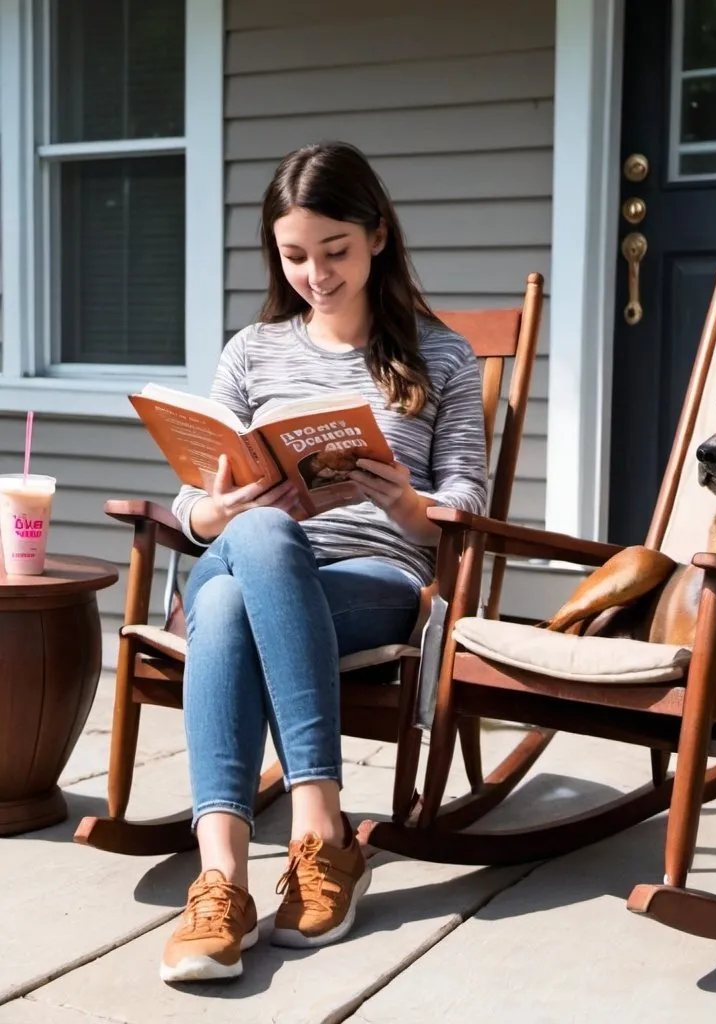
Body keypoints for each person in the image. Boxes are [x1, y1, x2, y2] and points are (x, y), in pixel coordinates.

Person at [159, 141, 488, 984]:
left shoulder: (442, 357)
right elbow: (191, 503)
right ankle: (310, 842)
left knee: (229, 602)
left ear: (378, 237)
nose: (316, 274)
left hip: (373, 579)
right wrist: (213, 509)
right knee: (258, 542)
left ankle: (225, 874)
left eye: (335, 251)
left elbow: (468, 504)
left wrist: (408, 505)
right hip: (247, 553)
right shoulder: (251, 352)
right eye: (294, 255)